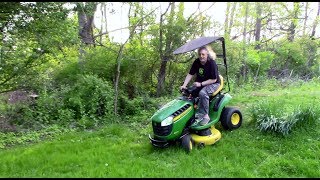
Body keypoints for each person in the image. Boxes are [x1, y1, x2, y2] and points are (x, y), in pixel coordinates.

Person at [180, 46, 220, 126]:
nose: (201, 56)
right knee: (188, 92)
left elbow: (214, 79)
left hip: (214, 83)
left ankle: (206, 116)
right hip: (201, 83)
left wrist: (201, 84)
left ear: (207, 54)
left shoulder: (212, 63)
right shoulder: (196, 62)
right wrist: (184, 85)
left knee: (202, 93)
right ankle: (190, 115)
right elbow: (190, 74)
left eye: (203, 54)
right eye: (199, 54)